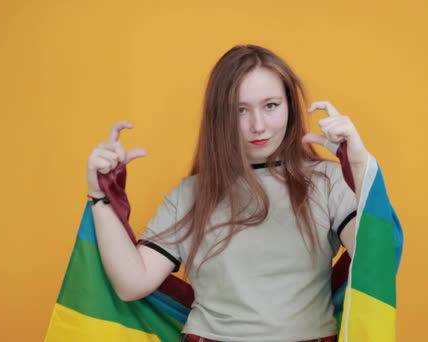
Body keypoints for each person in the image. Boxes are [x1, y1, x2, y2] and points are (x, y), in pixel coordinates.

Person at [86, 45, 373, 342]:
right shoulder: (191, 195)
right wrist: (101, 195)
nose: (257, 125)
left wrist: (360, 164)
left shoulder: (328, 181)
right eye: (240, 110)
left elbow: (375, 258)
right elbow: (132, 283)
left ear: (289, 105)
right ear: (219, 117)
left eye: (271, 105)